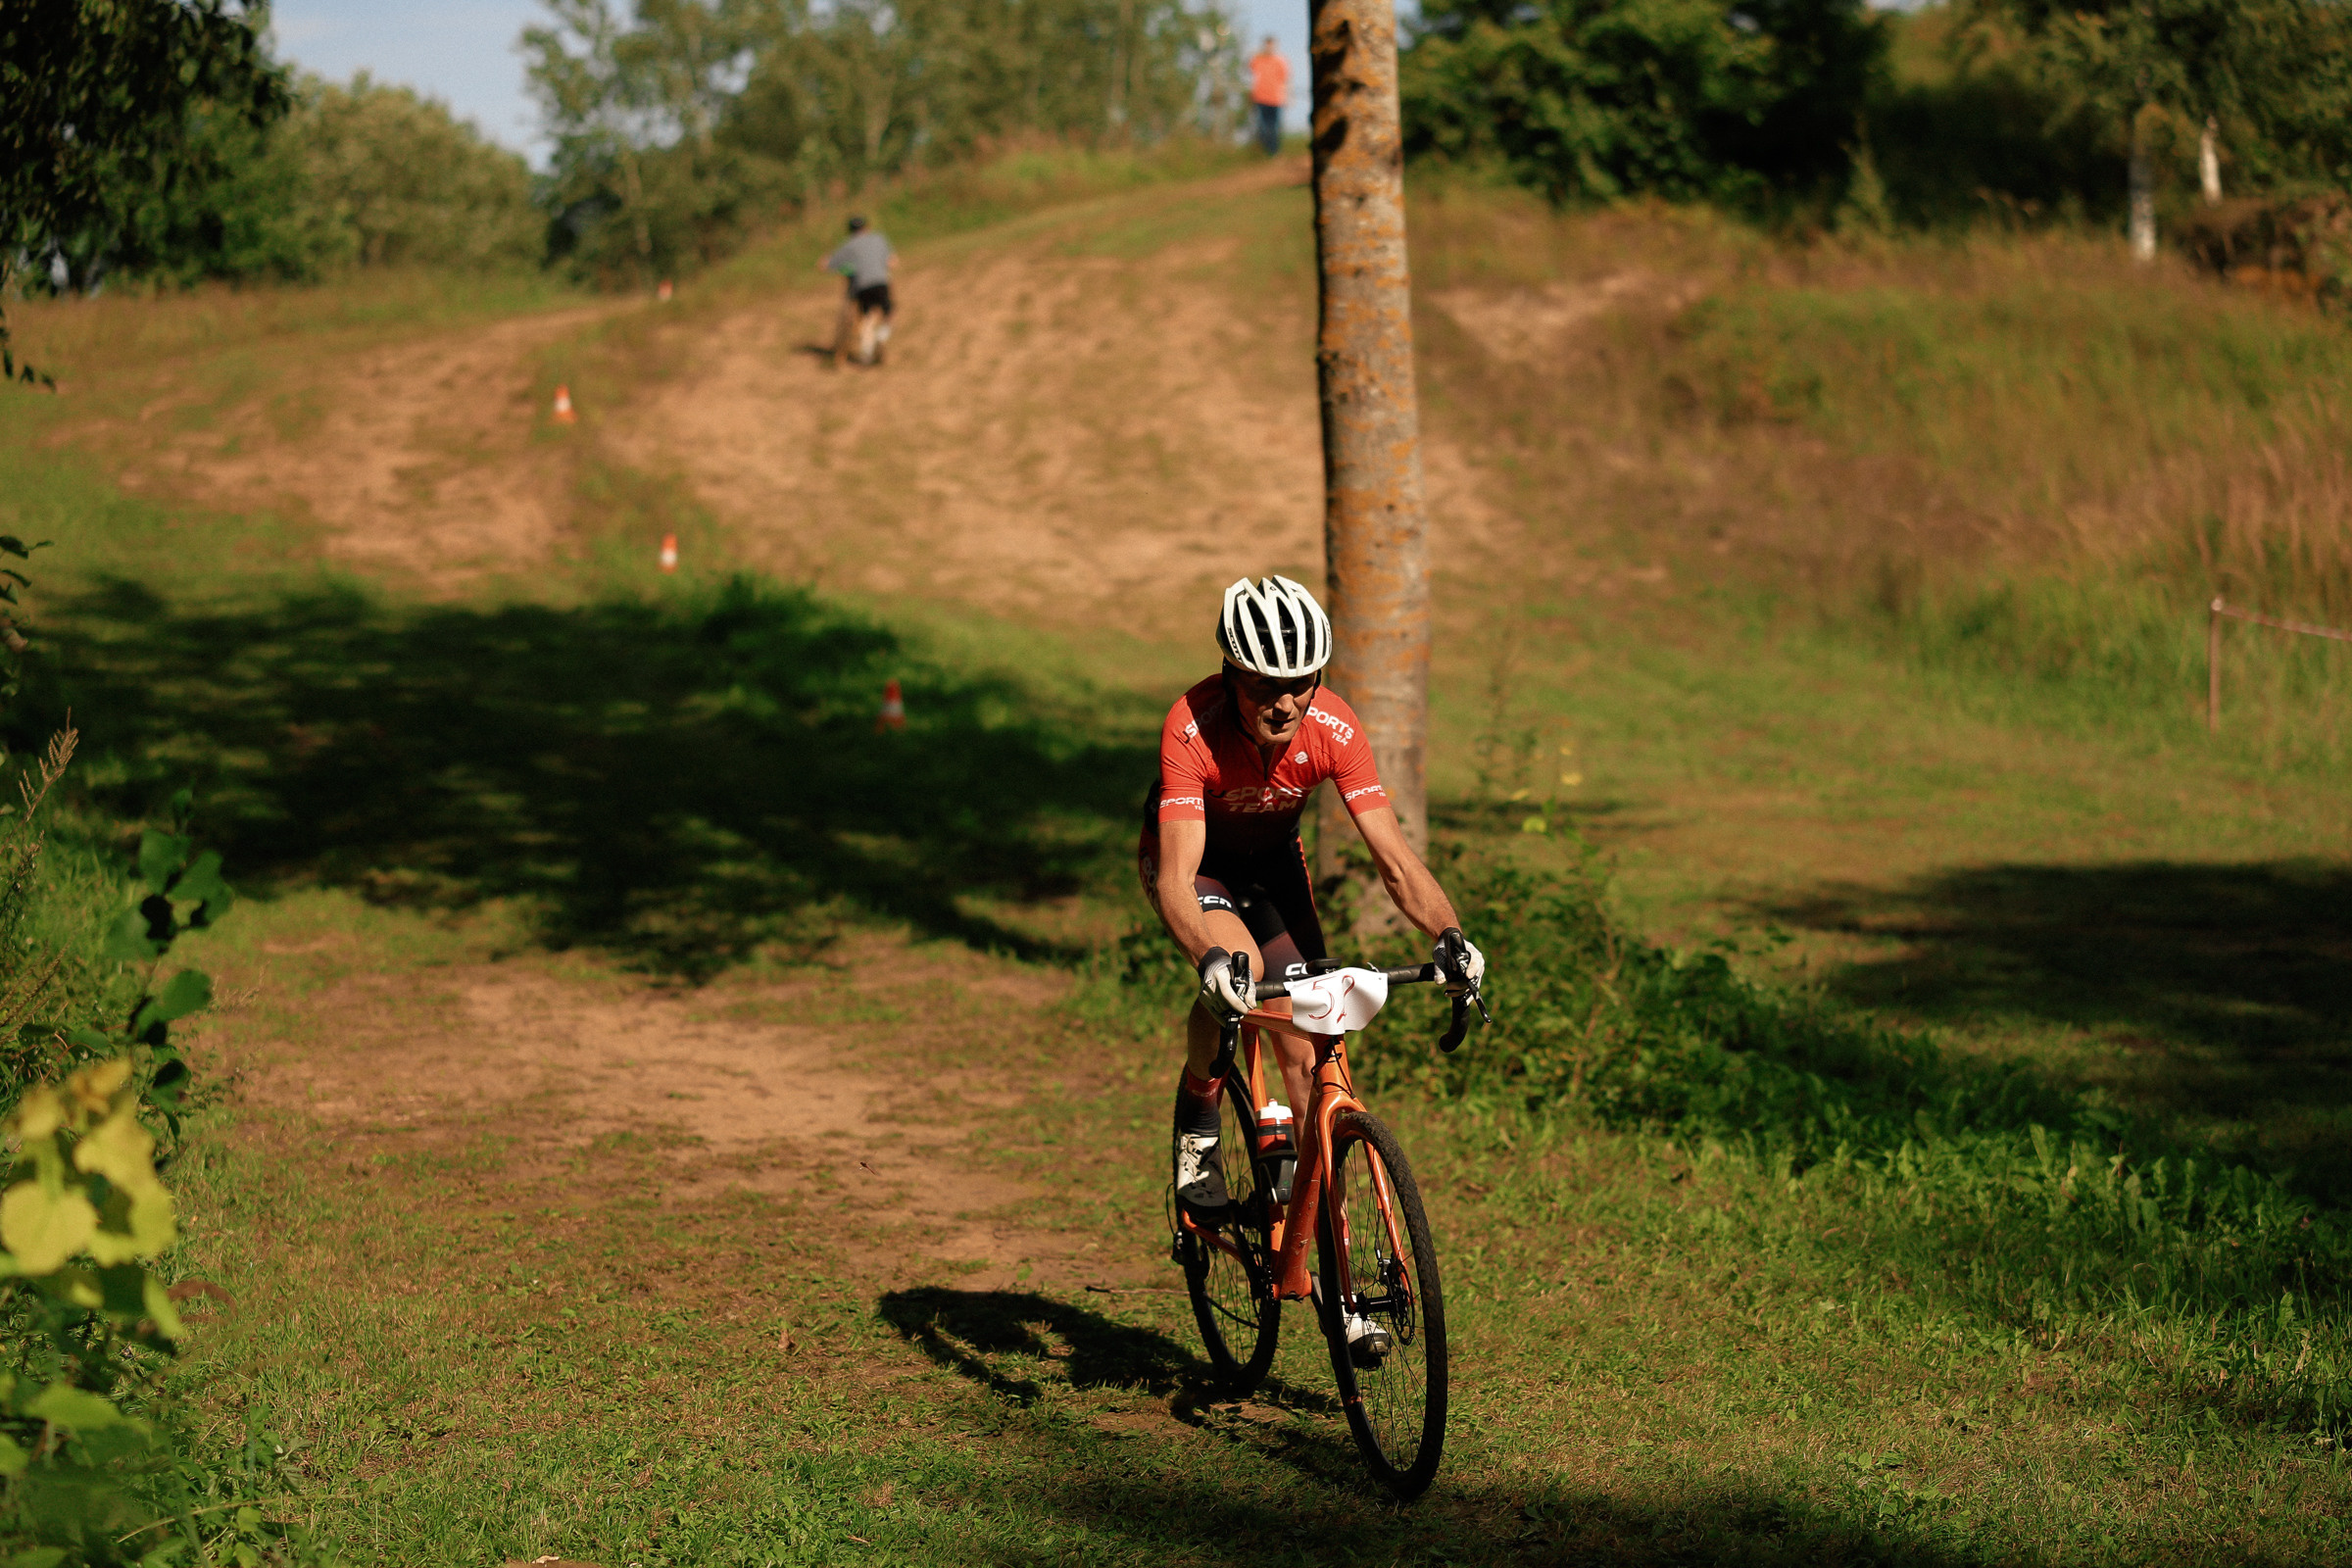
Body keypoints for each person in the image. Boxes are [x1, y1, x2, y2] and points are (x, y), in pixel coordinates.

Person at [1140, 576, 1487, 1231]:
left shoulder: (1334, 727)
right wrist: (1209, 958)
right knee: (1238, 969)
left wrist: (1449, 933)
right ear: (1230, 675)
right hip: (1198, 867)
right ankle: (1199, 1108)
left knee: (1308, 1044)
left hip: (1272, 867)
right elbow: (1178, 876)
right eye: (1264, 685)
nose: (1285, 703)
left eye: (1301, 682)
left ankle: (1326, 1238)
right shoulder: (1192, 726)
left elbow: (1395, 860)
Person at [822, 215, 895, 368]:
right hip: (880, 282)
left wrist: (830, 262)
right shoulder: (878, 239)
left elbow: (826, 265)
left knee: (866, 317)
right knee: (888, 312)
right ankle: (882, 335)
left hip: (861, 286)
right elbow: (892, 262)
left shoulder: (847, 245)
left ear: (850, 231)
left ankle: (866, 353)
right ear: (867, 227)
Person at [1249, 37, 1289, 158]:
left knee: (1274, 126)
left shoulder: (1280, 61)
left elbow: (1285, 80)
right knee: (1263, 126)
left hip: (1276, 98)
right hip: (1260, 97)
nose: (1269, 48)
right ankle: (1264, 150)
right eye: (1267, 45)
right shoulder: (1258, 59)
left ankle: (1274, 151)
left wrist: (1287, 96)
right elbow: (1248, 67)